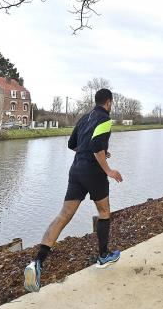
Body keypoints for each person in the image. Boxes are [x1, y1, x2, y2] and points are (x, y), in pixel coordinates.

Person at [23, 88, 124, 293]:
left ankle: (37, 263)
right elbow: (97, 148)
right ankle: (103, 256)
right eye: (111, 104)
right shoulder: (105, 119)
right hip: (94, 173)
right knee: (104, 212)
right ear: (109, 102)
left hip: (76, 171)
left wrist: (93, 153)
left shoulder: (84, 118)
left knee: (63, 216)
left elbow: (72, 144)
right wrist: (109, 170)